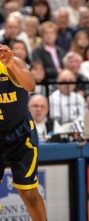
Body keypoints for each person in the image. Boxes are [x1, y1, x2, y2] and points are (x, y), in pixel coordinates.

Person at [0, 43, 47, 220]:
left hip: (20, 133)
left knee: (28, 194)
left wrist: (11, 65)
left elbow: (31, 86)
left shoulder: (11, 61)